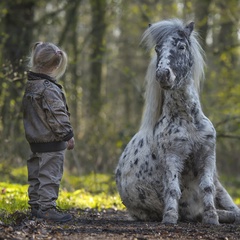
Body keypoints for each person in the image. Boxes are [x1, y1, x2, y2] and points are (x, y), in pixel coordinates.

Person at [22, 42, 75, 223]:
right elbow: (57, 115)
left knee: (36, 176)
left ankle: (36, 206)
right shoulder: (48, 88)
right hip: (51, 142)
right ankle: (46, 209)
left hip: (35, 141)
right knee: (49, 177)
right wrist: (67, 136)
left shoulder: (31, 85)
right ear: (56, 65)